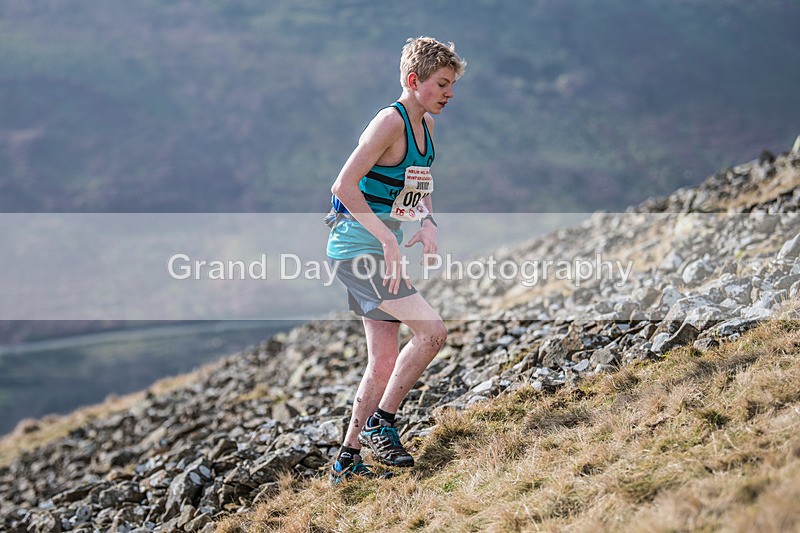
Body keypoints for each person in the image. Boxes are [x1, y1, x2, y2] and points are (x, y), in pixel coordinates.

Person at [325, 36, 466, 484]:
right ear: (413, 80)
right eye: (442, 83)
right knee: (432, 331)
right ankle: (381, 424)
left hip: (373, 251)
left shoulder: (426, 127)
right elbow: (342, 186)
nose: (449, 93)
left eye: (451, 85)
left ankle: (346, 461)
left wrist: (428, 224)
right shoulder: (391, 121)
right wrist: (387, 237)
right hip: (357, 250)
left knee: (383, 362)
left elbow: (418, 189)